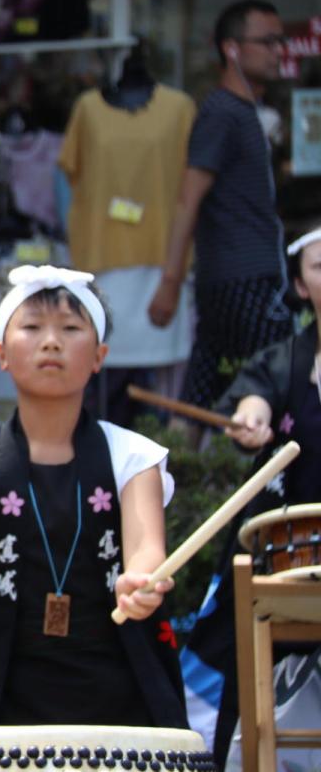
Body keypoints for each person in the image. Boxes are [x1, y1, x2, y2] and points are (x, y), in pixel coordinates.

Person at [0, 265, 187, 728]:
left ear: (99, 356)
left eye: (71, 329)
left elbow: (146, 552)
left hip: (118, 681)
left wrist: (142, 584)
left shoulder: (135, 455)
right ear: (1, 354)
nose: (51, 341)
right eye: (32, 328)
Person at [179, 224, 321, 759]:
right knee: (226, 652)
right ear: (302, 286)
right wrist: (250, 420)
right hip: (287, 553)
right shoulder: (283, 361)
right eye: (320, 266)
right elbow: (253, 401)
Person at [147, 0, 292, 416]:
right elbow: (187, 198)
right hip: (244, 280)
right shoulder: (221, 113)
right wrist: (170, 283)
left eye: (280, 42)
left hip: (237, 277)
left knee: (202, 395)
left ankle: (185, 477)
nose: (278, 51)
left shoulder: (244, 111)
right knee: (276, 389)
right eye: (266, 42)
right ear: (231, 49)